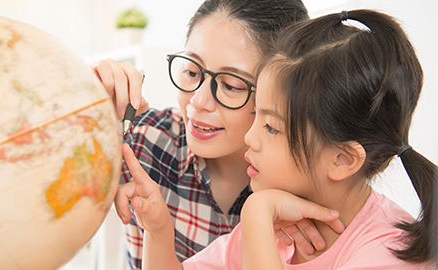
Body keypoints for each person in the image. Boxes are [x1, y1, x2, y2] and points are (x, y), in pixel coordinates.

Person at [116, 9, 437, 270]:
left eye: (270, 127)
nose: (251, 138)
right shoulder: (276, 224)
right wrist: (158, 232)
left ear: (342, 159)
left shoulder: (386, 253)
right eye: (257, 116)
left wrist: (255, 216)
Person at [94, 1, 317, 269]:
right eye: (191, 71)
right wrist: (79, 99)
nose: (198, 102)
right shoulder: (145, 139)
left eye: (231, 86)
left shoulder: (306, 182)